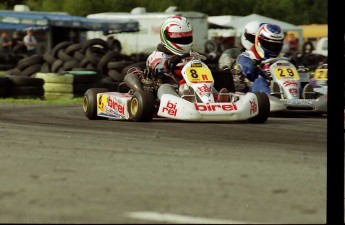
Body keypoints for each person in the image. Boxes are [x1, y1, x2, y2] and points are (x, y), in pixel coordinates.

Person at [146, 16, 229, 102]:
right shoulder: (158, 55)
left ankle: (217, 100)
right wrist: (168, 64)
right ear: (166, 37)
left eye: (186, 38)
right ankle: (178, 102)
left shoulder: (192, 54)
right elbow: (157, 67)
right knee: (165, 87)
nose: (183, 41)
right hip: (172, 86)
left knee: (208, 86)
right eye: (179, 39)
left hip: (193, 86)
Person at [236, 23, 285, 96]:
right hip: (254, 91)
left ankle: (305, 94)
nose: (272, 48)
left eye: (276, 45)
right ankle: (269, 98)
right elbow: (249, 74)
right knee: (260, 81)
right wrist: (254, 64)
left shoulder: (283, 57)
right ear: (259, 41)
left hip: (284, 85)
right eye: (269, 45)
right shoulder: (247, 56)